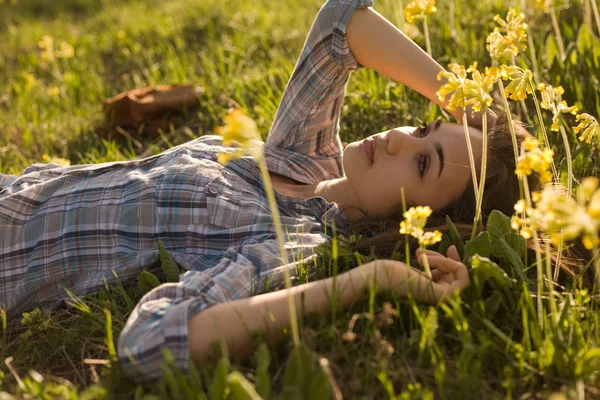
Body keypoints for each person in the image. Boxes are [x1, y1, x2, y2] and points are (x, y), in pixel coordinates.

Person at [0, 0, 540, 382]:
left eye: (424, 163)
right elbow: (340, 21)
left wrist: (370, 278)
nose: (398, 137)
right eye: (422, 128)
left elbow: (152, 344)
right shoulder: (305, 156)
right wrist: (462, 101)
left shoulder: (289, 242)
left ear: (416, 221)